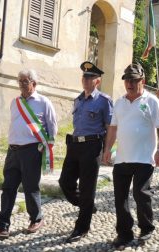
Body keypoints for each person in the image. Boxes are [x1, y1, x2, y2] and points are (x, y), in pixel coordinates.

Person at [0, 69, 58, 238]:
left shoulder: (43, 101)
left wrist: (46, 146)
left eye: (26, 81)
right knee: (8, 187)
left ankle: (36, 219)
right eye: (20, 81)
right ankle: (2, 226)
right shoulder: (15, 102)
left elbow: (52, 127)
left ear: (34, 83)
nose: (22, 84)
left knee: (31, 187)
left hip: (31, 150)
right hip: (13, 151)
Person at [102, 63, 159, 249]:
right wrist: (107, 148)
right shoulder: (120, 102)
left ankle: (146, 228)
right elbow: (113, 127)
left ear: (142, 81)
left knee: (141, 194)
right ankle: (124, 233)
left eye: (134, 80)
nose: (129, 84)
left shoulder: (151, 101)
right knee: (120, 197)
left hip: (144, 158)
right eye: (127, 80)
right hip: (122, 157)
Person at [58, 62, 113, 243]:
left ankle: (81, 227)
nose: (86, 80)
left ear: (97, 80)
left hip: (92, 146)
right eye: (84, 76)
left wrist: (107, 151)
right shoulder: (78, 100)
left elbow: (109, 127)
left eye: (90, 77)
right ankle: (87, 205)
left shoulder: (104, 101)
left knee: (87, 188)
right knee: (65, 182)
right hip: (74, 145)